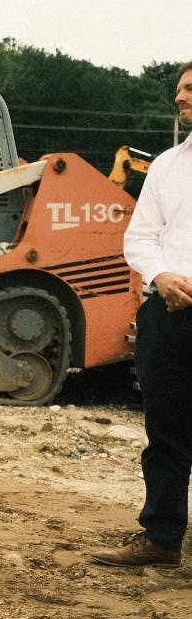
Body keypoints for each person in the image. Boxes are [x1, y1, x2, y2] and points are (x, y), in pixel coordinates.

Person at [91, 61, 192, 570]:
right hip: (170, 315)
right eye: (179, 90)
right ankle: (161, 538)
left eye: (190, 89)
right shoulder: (169, 166)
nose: (180, 98)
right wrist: (161, 276)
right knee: (166, 432)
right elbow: (140, 236)